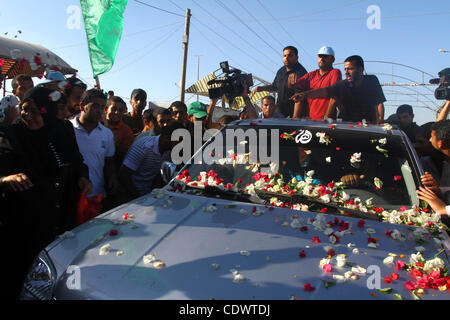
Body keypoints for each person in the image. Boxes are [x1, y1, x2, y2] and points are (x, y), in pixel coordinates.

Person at [0, 86, 91, 299]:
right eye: (24, 109)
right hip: (22, 227)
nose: (27, 116)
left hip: (59, 222)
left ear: (48, 110)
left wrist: (82, 177)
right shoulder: (11, 135)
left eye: (35, 111)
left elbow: (77, 161)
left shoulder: (63, 131)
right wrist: (6, 180)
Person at [291, 55, 386, 124]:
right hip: (347, 125)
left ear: (360, 69)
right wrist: (305, 95)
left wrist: (379, 122)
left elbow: (379, 103)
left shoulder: (372, 81)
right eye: (345, 69)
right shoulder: (343, 85)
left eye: (350, 69)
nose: (346, 72)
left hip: (368, 126)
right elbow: (324, 91)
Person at [70, 89, 119, 204]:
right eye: (95, 106)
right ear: (82, 106)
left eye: (102, 107)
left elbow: (109, 160)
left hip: (98, 196)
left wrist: (112, 176)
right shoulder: (68, 129)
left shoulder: (107, 134)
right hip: (73, 197)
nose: (99, 111)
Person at [119, 120, 185, 200]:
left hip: (148, 194)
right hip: (130, 196)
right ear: (166, 138)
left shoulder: (168, 150)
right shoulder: (144, 146)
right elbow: (124, 175)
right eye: (179, 140)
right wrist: (138, 198)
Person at [253, 46, 307, 117]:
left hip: (294, 114)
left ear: (296, 58)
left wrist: (295, 119)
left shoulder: (301, 73)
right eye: (284, 55)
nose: (286, 58)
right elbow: (275, 86)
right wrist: (261, 88)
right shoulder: (281, 71)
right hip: (280, 112)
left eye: (290, 55)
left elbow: (299, 98)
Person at [292, 46, 342, 120]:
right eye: (320, 56)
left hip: (327, 122)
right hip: (311, 121)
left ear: (333, 59)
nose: (322, 58)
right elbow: (296, 87)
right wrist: (291, 78)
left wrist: (326, 118)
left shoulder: (335, 72)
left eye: (325, 56)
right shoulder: (311, 75)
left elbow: (334, 96)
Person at [104, 96, 134, 171]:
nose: (117, 112)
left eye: (120, 110)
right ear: (106, 109)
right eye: (114, 109)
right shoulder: (97, 124)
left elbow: (127, 156)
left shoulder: (127, 131)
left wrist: (116, 145)